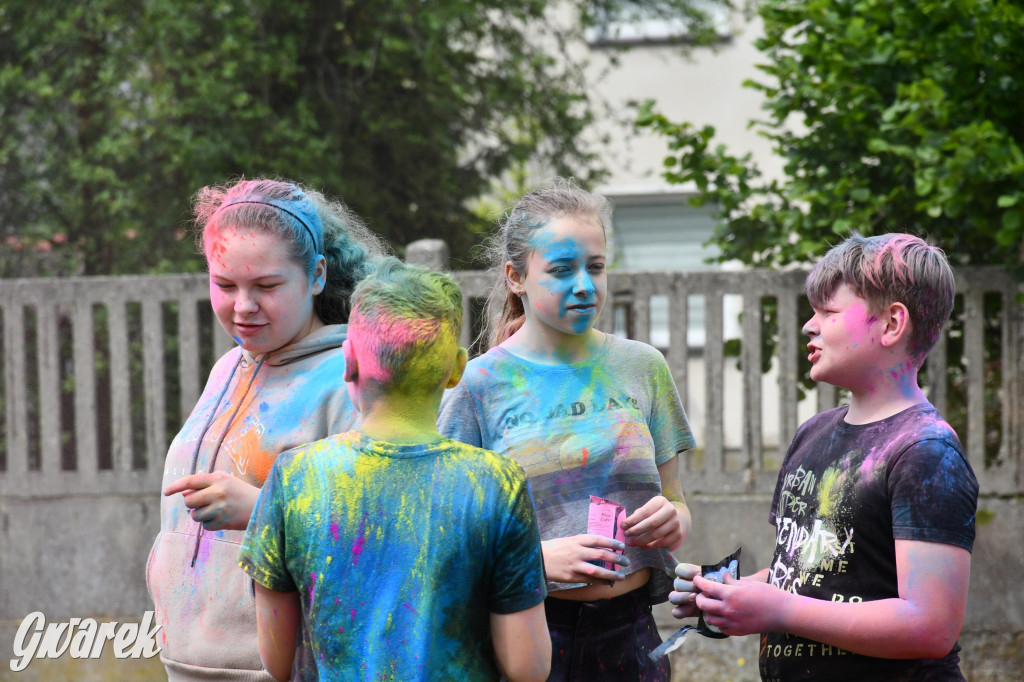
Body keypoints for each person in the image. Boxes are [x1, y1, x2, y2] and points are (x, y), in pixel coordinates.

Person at [669, 233, 979, 681]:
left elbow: (931, 626)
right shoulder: (812, 434)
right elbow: (806, 576)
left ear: (892, 324)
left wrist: (780, 611)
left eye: (828, 312)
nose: (808, 326)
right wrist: (727, 593)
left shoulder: (925, 452)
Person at [237, 258, 551, 681]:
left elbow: (276, 662)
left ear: (348, 362)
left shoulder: (294, 478)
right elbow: (527, 667)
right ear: (458, 369)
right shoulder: (497, 484)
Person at [437, 178, 696, 681]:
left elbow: (677, 500)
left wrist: (677, 521)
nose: (584, 284)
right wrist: (533, 561)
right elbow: (448, 541)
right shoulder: (477, 386)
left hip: (635, 635)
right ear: (516, 277)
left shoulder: (643, 367)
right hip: (527, 636)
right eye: (561, 270)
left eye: (595, 267)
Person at [146, 178, 385, 681]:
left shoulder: (350, 381)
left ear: (317, 275)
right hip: (187, 663)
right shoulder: (229, 366)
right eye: (225, 284)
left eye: (267, 286)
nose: (243, 307)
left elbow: (380, 538)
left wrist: (260, 510)